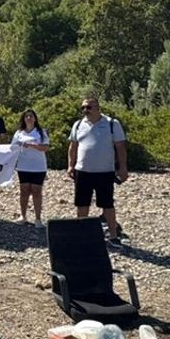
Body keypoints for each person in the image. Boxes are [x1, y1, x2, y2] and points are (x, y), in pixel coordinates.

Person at [67, 96, 128, 245]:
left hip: (105, 172)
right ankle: (82, 235)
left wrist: (123, 168)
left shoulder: (112, 124)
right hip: (83, 171)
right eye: (83, 108)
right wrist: (70, 165)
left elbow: (120, 147)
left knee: (107, 205)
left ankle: (113, 236)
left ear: (98, 108)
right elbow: (73, 147)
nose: (85, 110)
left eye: (88, 107)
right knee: (82, 204)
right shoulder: (78, 125)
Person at [12, 109, 50, 227]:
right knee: (24, 192)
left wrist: (33, 145)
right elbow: (12, 147)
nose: (29, 118)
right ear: (23, 119)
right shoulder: (19, 133)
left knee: (36, 192)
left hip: (38, 167)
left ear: (35, 118)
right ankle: (23, 216)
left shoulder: (41, 132)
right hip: (23, 166)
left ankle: (38, 219)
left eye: (31, 116)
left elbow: (46, 147)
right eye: (26, 116)